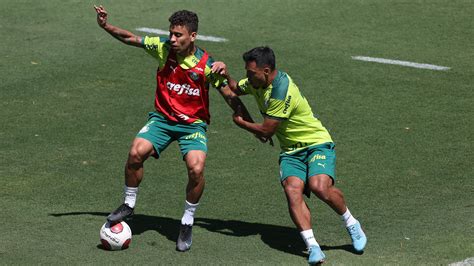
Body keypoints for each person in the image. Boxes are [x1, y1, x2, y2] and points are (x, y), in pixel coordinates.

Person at [93, 5, 259, 252]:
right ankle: (128, 204)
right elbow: (131, 38)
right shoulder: (163, 48)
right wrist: (106, 25)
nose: (172, 39)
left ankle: (187, 221)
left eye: (178, 35)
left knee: (196, 167)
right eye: (171, 33)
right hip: (162, 120)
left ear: (193, 36)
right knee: (136, 152)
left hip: (192, 126)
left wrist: (253, 126)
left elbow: (230, 96)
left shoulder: (206, 64)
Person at [214, 46, 367, 264]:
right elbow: (235, 88)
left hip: (316, 143)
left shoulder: (280, 90)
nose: (247, 77)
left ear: (266, 71)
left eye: (251, 73)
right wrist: (225, 73)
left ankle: (352, 223)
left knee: (319, 187)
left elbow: (266, 132)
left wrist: (242, 123)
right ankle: (313, 247)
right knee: (292, 189)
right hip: (291, 151)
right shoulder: (258, 81)